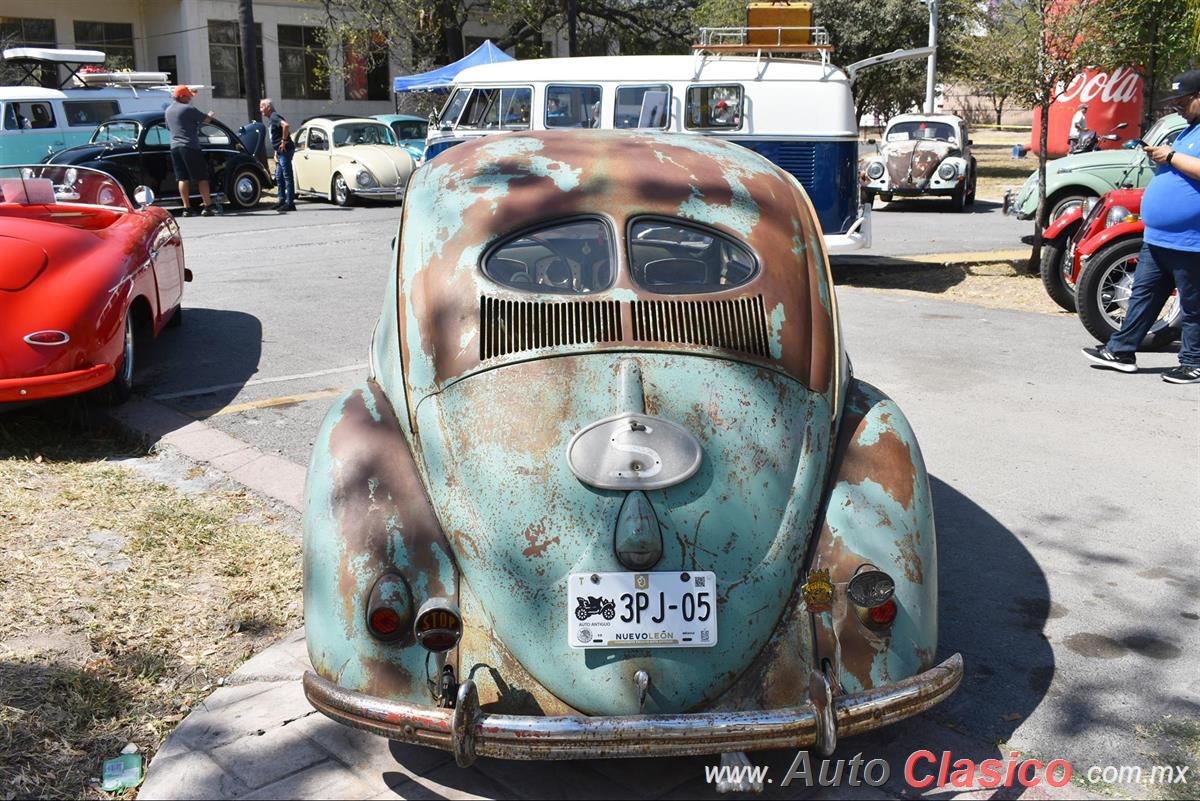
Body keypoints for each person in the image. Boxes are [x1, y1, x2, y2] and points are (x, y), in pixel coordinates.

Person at [1082, 70, 1200, 384]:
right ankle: (1121, 350)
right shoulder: (1188, 131)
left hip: (1191, 241)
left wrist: (1171, 156)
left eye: (1183, 100)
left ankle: (1193, 362)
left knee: (1192, 304)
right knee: (1143, 296)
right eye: (1174, 101)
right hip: (1159, 238)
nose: (1177, 106)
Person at [165, 85, 219, 216]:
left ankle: (187, 208)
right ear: (182, 96)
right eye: (188, 96)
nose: (190, 98)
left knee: (182, 178)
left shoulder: (168, 110)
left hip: (175, 147)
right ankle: (207, 206)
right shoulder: (188, 109)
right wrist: (211, 115)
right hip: (189, 146)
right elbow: (205, 119)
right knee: (202, 177)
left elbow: (168, 127)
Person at [260, 98, 295, 212]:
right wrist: (276, 152)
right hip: (280, 152)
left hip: (285, 151)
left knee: (287, 176)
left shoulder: (274, 116)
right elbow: (278, 135)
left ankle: (290, 203)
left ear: (268, 107)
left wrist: (284, 142)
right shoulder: (272, 118)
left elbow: (286, 126)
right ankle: (281, 201)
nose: (261, 110)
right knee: (279, 177)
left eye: (262, 107)